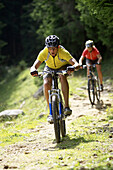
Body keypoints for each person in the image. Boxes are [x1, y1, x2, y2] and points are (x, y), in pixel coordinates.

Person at [30, 35, 79, 123]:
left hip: (61, 67)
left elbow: (75, 62)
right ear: (47, 48)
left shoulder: (63, 51)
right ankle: (51, 113)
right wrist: (33, 70)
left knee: (62, 76)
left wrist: (74, 66)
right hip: (49, 68)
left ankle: (67, 106)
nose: (52, 51)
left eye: (54, 48)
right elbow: (35, 65)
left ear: (58, 47)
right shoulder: (44, 52)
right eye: (50, 48)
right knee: (46, 83)